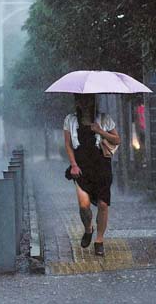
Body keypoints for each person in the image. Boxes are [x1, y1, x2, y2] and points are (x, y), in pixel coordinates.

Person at [63, 93, 121, 256]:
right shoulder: (70, 120)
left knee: (103, 205)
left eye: (89, 99)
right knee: (83, 205)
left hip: (101, 166)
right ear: (78, 103)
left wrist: (100, 131)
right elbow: (67, 144)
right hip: (81, 167)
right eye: (82, 100)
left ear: (93, 101)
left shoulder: (104, 118)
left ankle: (99, 240)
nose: (86, 103)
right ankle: (88, 229)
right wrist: (73, 165)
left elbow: (117, 140)